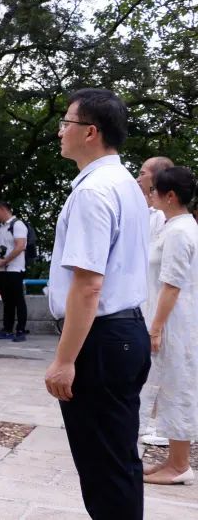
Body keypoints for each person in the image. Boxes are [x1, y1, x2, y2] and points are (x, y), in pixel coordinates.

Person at [45, 88, 151, 519]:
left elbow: (88, 285)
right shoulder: (126, 185)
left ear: (90, 132)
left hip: (102, 339)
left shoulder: (93, 192)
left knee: (103, 469)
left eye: (66, 123)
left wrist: (65, 360)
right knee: (119, 461)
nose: (60, 131)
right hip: (126, 332)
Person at [142, 166, 198, 486]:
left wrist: (156, 327)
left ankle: (180, 465)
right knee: (170, 387)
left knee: (178, 386)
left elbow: (172, 285)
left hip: (175, 322)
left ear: (171, 196)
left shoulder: (180, 231)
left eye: (155, 191)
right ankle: (174, 460)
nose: (151, 195)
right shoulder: (174, 226)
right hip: (171, 319)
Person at [135, 156, 174, 447]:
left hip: (160, 300)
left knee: (161, 365)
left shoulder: (164, 219)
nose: (137, 178)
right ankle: (144, 419)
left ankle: (159, 423)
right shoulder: (144, 212)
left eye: (142, 173)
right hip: (144, 298)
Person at [0, 201, 29, 342]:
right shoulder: (0, 228)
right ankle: (7, 329)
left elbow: (20, 246)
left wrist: (5, 260)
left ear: (2, 209)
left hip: (15, 269)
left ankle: (21, 330)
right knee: (7, 300)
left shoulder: (18, 225)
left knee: (18, 300)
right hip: (1, 270)